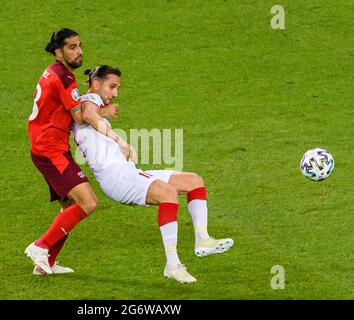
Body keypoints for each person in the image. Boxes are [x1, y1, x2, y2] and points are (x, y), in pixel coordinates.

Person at [72, 65, 234, 283]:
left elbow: (90, 114)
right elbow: (89, 114)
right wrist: (119, 139)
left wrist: (105, 115)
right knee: (168, 193)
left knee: (194, 181)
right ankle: (172, 264)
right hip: (116, 178)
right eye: (111, 87)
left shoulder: (91, 105)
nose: (115, 94)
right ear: (96, 84)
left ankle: (203, 239)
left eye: (117, 88)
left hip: (126, 172)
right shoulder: (88, 100)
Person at [25, 29, 122, 276]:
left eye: (79, 46)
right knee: (88, 202)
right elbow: (80, 116)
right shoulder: (64, 78)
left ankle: (44, 265)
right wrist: (103, 112)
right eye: (71, 47)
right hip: (51, 150)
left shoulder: (56, 72)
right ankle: (41, 246)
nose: (78, 51)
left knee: (70, 205)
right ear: (59, 52)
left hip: (46, 146)